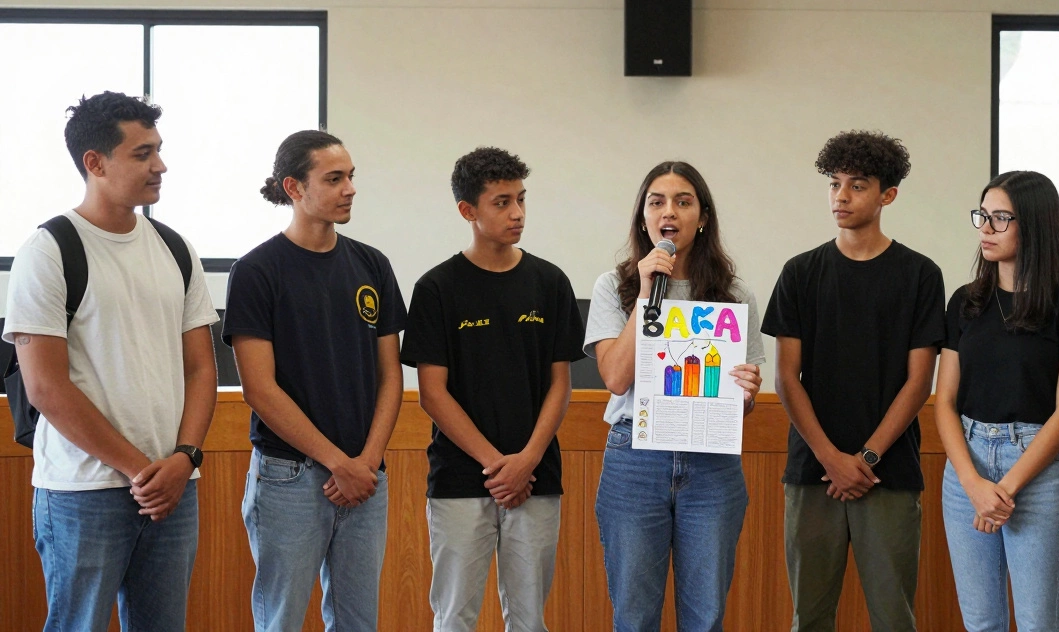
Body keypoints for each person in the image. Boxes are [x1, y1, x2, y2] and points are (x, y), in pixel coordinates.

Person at [3, 92, 219, 631]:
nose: (160, 166)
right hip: (84, 494)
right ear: (94, 163)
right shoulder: (48, 250)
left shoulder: (176, 248)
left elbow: (201, 367)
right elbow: (46, 388)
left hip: (173, 488)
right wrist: (141, 471)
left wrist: (185, 458)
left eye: (159, 151)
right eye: (143, 153)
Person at [223, 130, 407, 632]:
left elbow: (391, 376)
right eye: (334, 178)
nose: (350, 188)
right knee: (281, 620)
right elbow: (259, 391)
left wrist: (366, 462)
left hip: (367, 477)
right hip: (290, 477)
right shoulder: (257, 271)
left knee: (357, 622)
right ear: (294, 188)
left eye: (351, 177)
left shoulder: (372, 264)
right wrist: (337, 463)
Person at [762, 130, 944, 632]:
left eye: (857, 185)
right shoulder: (800, 273)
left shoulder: (920, 275)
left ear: (888, 195)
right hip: (811, 471)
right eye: (834, 184)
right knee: (810, 618)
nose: (840, 197)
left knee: (893, 619)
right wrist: (831, 459)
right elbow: (786, 379)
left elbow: (918, 383)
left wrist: (863, 460)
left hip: (888, 473)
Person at [400, 147, 584, 632]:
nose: (517, 213)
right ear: (468, 211)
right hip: (461, 480)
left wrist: (523, 463)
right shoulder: (437, 288)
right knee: (455, 616)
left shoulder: (550, 282)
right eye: (502, 202)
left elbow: (559, 384)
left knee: (529, 619)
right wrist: (495, 464)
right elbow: (432, 394)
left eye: (521, 199)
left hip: (536, 477)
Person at [585, 160, 765, 632]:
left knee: (705, 617)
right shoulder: (615, 286)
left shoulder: (732, 293)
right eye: (657, 202)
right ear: (643, 218)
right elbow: (616, 379)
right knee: (635, 616)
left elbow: (740, 403)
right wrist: (646, 293)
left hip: (711, 463)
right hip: (634, 459)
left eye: (684, 202)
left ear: (702, 216)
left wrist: (746, 392)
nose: (670, 211)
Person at [934, 171, 1059, 631]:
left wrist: (1003, 490)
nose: (986, 228)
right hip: (966, 466)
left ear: (1035, 225)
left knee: (1037, 623)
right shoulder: (965, 301)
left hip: (1036, 467)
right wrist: (974, 484)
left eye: (1001, 218)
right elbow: (944, 401)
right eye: (983, 216)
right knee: (982, 622)